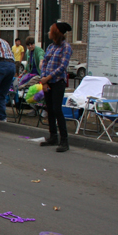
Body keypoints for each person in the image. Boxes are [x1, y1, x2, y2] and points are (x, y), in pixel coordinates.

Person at [39, 22, 74, 152]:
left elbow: (62, 67)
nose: (48, 32)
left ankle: (64, 140)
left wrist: (48, 77)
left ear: (56, 32)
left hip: (58, 82)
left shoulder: (66, 47)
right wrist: (44, 80)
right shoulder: (51, 46)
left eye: (50, 30)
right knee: (50, 109)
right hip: (47, 82)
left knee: (57, 109)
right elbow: (44, 63)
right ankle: (53, 136)